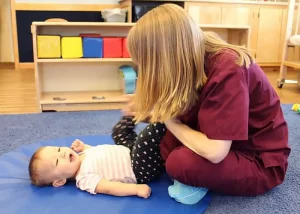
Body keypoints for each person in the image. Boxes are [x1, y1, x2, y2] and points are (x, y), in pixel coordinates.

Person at [123, 3, 291, 204]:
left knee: (180, 163)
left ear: (165, 59)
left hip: (257, 160)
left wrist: (171, 122)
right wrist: (152, 112)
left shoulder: (228, 68)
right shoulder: (193, 53)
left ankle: (199, 179)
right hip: (225, 140)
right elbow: (187, 103)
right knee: (166, 142)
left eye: (146, 64)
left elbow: (215, 152)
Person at [28, 116, 166, 198]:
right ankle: (167, 121)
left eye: (57, 149)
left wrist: (85, 147)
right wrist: (136, 190)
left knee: (118, 131)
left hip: (128, 150)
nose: (62, 153)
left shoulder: (81, 155)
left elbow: (98, 153)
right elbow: (109, 187)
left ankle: (135, 111)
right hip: (138, 168)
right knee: (146, 138)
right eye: (57, 161)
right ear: (59, 181)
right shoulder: (83, 179)